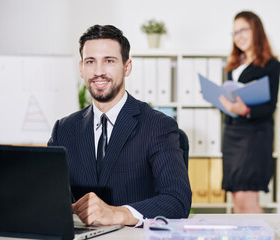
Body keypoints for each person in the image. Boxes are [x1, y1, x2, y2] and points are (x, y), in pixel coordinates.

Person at [48, 24, 191, 226]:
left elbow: (177, 200)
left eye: (109, 61)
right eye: (90, 61)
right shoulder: (64, 130)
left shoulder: (158, 125)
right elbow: (47, 198)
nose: (98, 71)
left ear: (127, 67)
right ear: (81, 68)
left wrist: (119, 214)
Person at [219, 11, 280, 213]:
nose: (239, 36)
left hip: (254, 137)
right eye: (235, 32)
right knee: (238, 203)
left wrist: (244, 109)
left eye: (243, 29)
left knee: (248, 203)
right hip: (232, 136)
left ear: (256, 30)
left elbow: (269, 106)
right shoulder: (234, 66)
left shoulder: (271, 65)